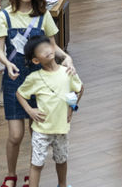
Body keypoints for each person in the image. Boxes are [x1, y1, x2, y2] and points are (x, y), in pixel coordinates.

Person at [0, 0, 75, 187]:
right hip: (15, 80)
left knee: (36, 132)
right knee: (15, 135)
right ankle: (11, 174)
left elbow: (53, 47)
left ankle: (33, 173)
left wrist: (66, 58)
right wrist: (7, 63)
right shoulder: (5, 16)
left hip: (41, 81)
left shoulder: (43, 15)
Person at [16, 35, 83, 187]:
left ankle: (62, 184)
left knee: (61, 159)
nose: (46, 51)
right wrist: (29, 110)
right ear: (35, 60)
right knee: (37, 163)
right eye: (41, 51)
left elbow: (79, 88)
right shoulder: (34, 77)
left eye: (47, 46)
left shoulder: (67, 72)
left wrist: (72, 108)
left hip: (61, 128)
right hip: (41, 129)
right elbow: (20, 93)